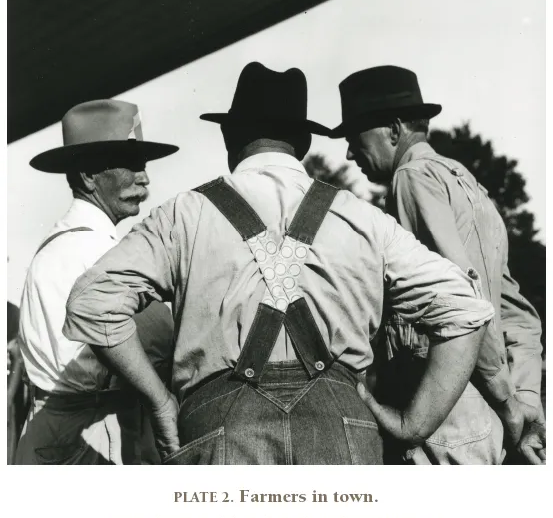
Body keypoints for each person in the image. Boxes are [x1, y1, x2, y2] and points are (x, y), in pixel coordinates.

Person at [64, 63, 496, 465]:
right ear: (303, 143)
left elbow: (92, 301)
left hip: (218, 432)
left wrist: (159, 402)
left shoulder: (185, 213)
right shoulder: (360, 217)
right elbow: (466, 307)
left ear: (231, 139)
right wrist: (414, 423)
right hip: (345, 427)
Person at [334, 65, 545, 464]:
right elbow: (519, 314)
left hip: (446, 414)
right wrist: (526, 397)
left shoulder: (410, 179)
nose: (349, 152)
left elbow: (466, 301)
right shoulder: (467, 183)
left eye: (353, 136)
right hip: (488, 417)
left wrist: (509, 405)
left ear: (393, 130)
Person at [16, 99, 179, 465]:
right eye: (133, 165)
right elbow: (163, 344)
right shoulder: (97, 252)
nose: (145, 178)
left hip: (50, 433)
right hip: (91, 436)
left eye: (144, 165)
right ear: (89, 175)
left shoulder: (61, 241)